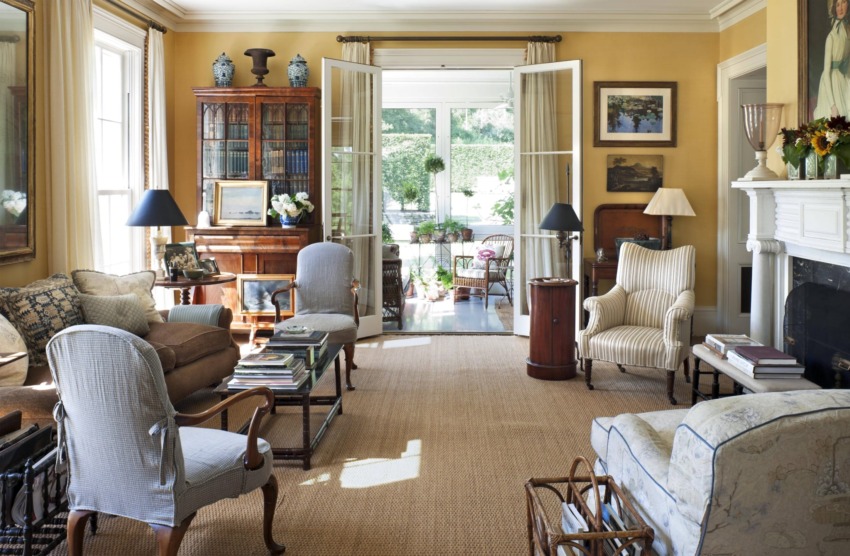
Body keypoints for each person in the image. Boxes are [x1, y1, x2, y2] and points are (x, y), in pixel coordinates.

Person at [814, 0, 850, 119]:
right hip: (830, 83)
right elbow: (826, 72)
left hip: (842, 79)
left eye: (843, 2)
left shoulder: (847, 33)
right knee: (837, 119)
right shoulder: (831, 37)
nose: (840, 8)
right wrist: (832, 105)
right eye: (837, 5)